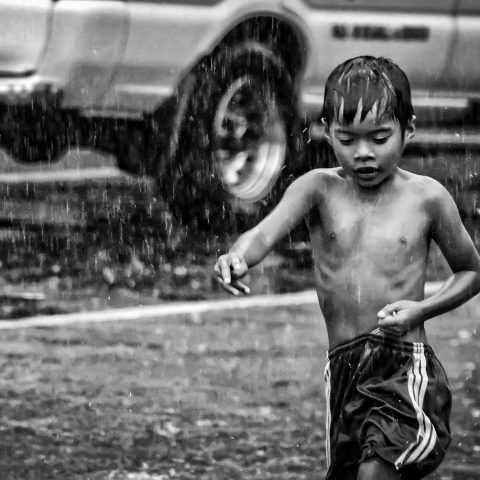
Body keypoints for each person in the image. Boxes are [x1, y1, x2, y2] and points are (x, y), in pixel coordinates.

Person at [213, 56, 480, 479]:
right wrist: (237, 258)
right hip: (343, 369)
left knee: (375, 473)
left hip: (401, 366)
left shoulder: (427, 198)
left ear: (408, 129)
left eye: (379, 137)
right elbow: (261, 236)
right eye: (348, 138)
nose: (364, 153)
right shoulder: (317, 188)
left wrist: (421, 310)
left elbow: (472, 271)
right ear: (326, 131)